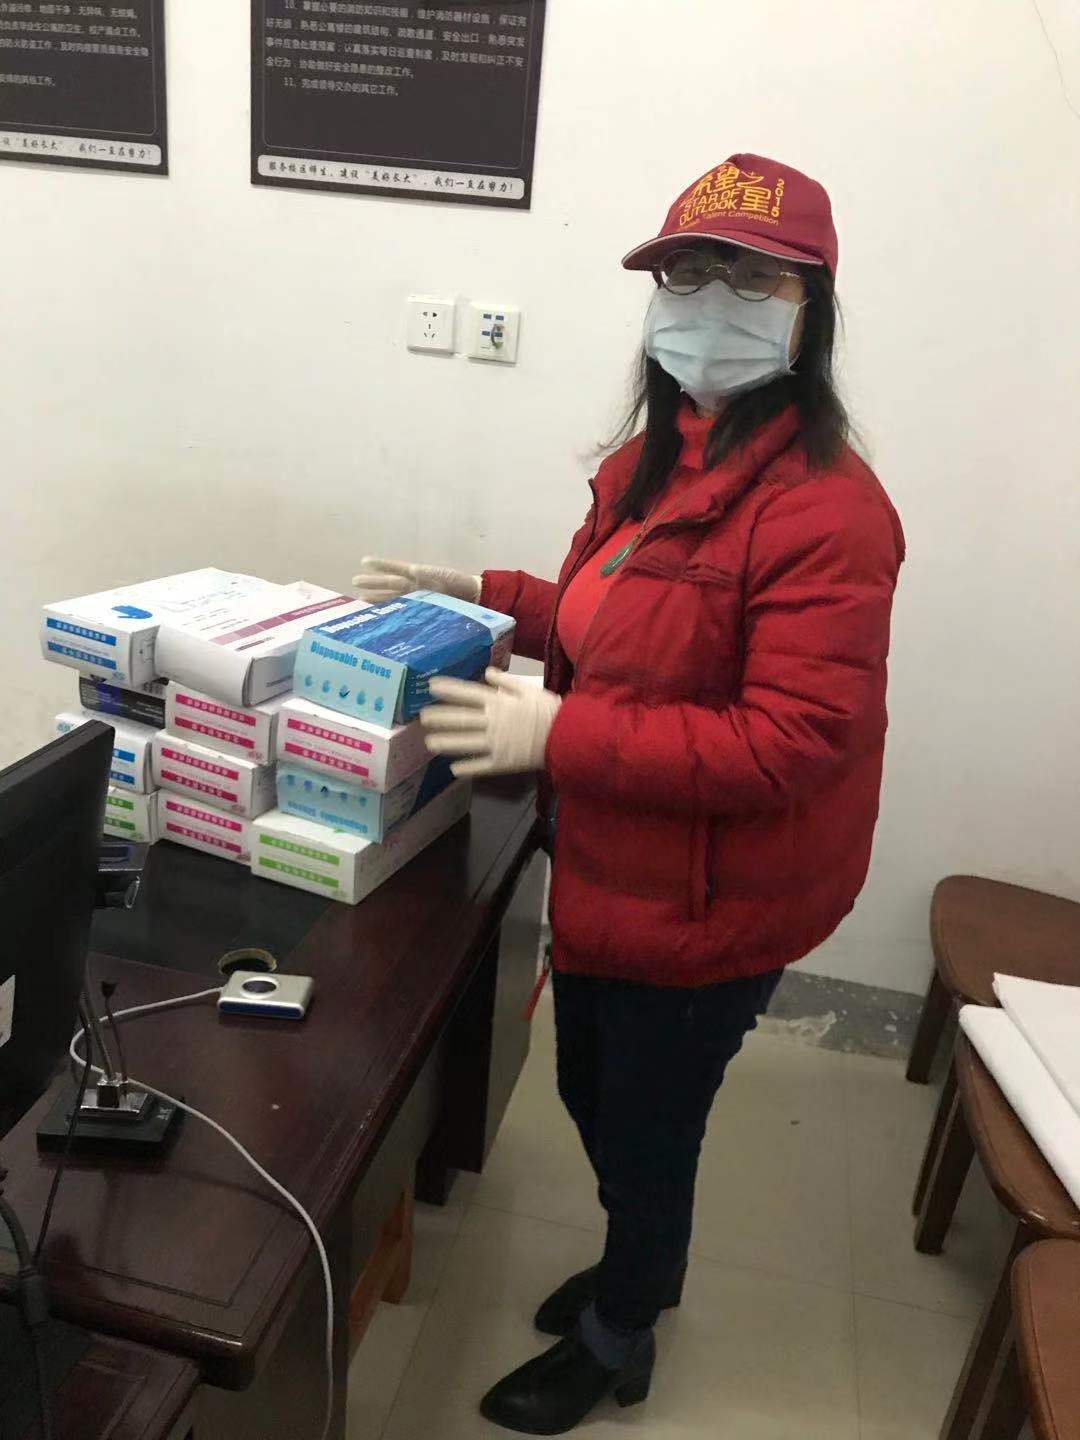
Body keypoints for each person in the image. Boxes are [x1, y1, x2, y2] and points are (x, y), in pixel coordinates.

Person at [354, 152, 905, 1435]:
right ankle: (632, 1265)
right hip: (622, 865)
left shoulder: (830, 512)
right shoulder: (660, 457)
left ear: (810, 309)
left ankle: (624, 1325)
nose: (710, 303)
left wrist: (562, 732)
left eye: (751, 279)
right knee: (594, 1091)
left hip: (715, 898)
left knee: (648, 1125)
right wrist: (484, 595)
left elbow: (790, 741)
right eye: (687, 274)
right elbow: (620, 623)